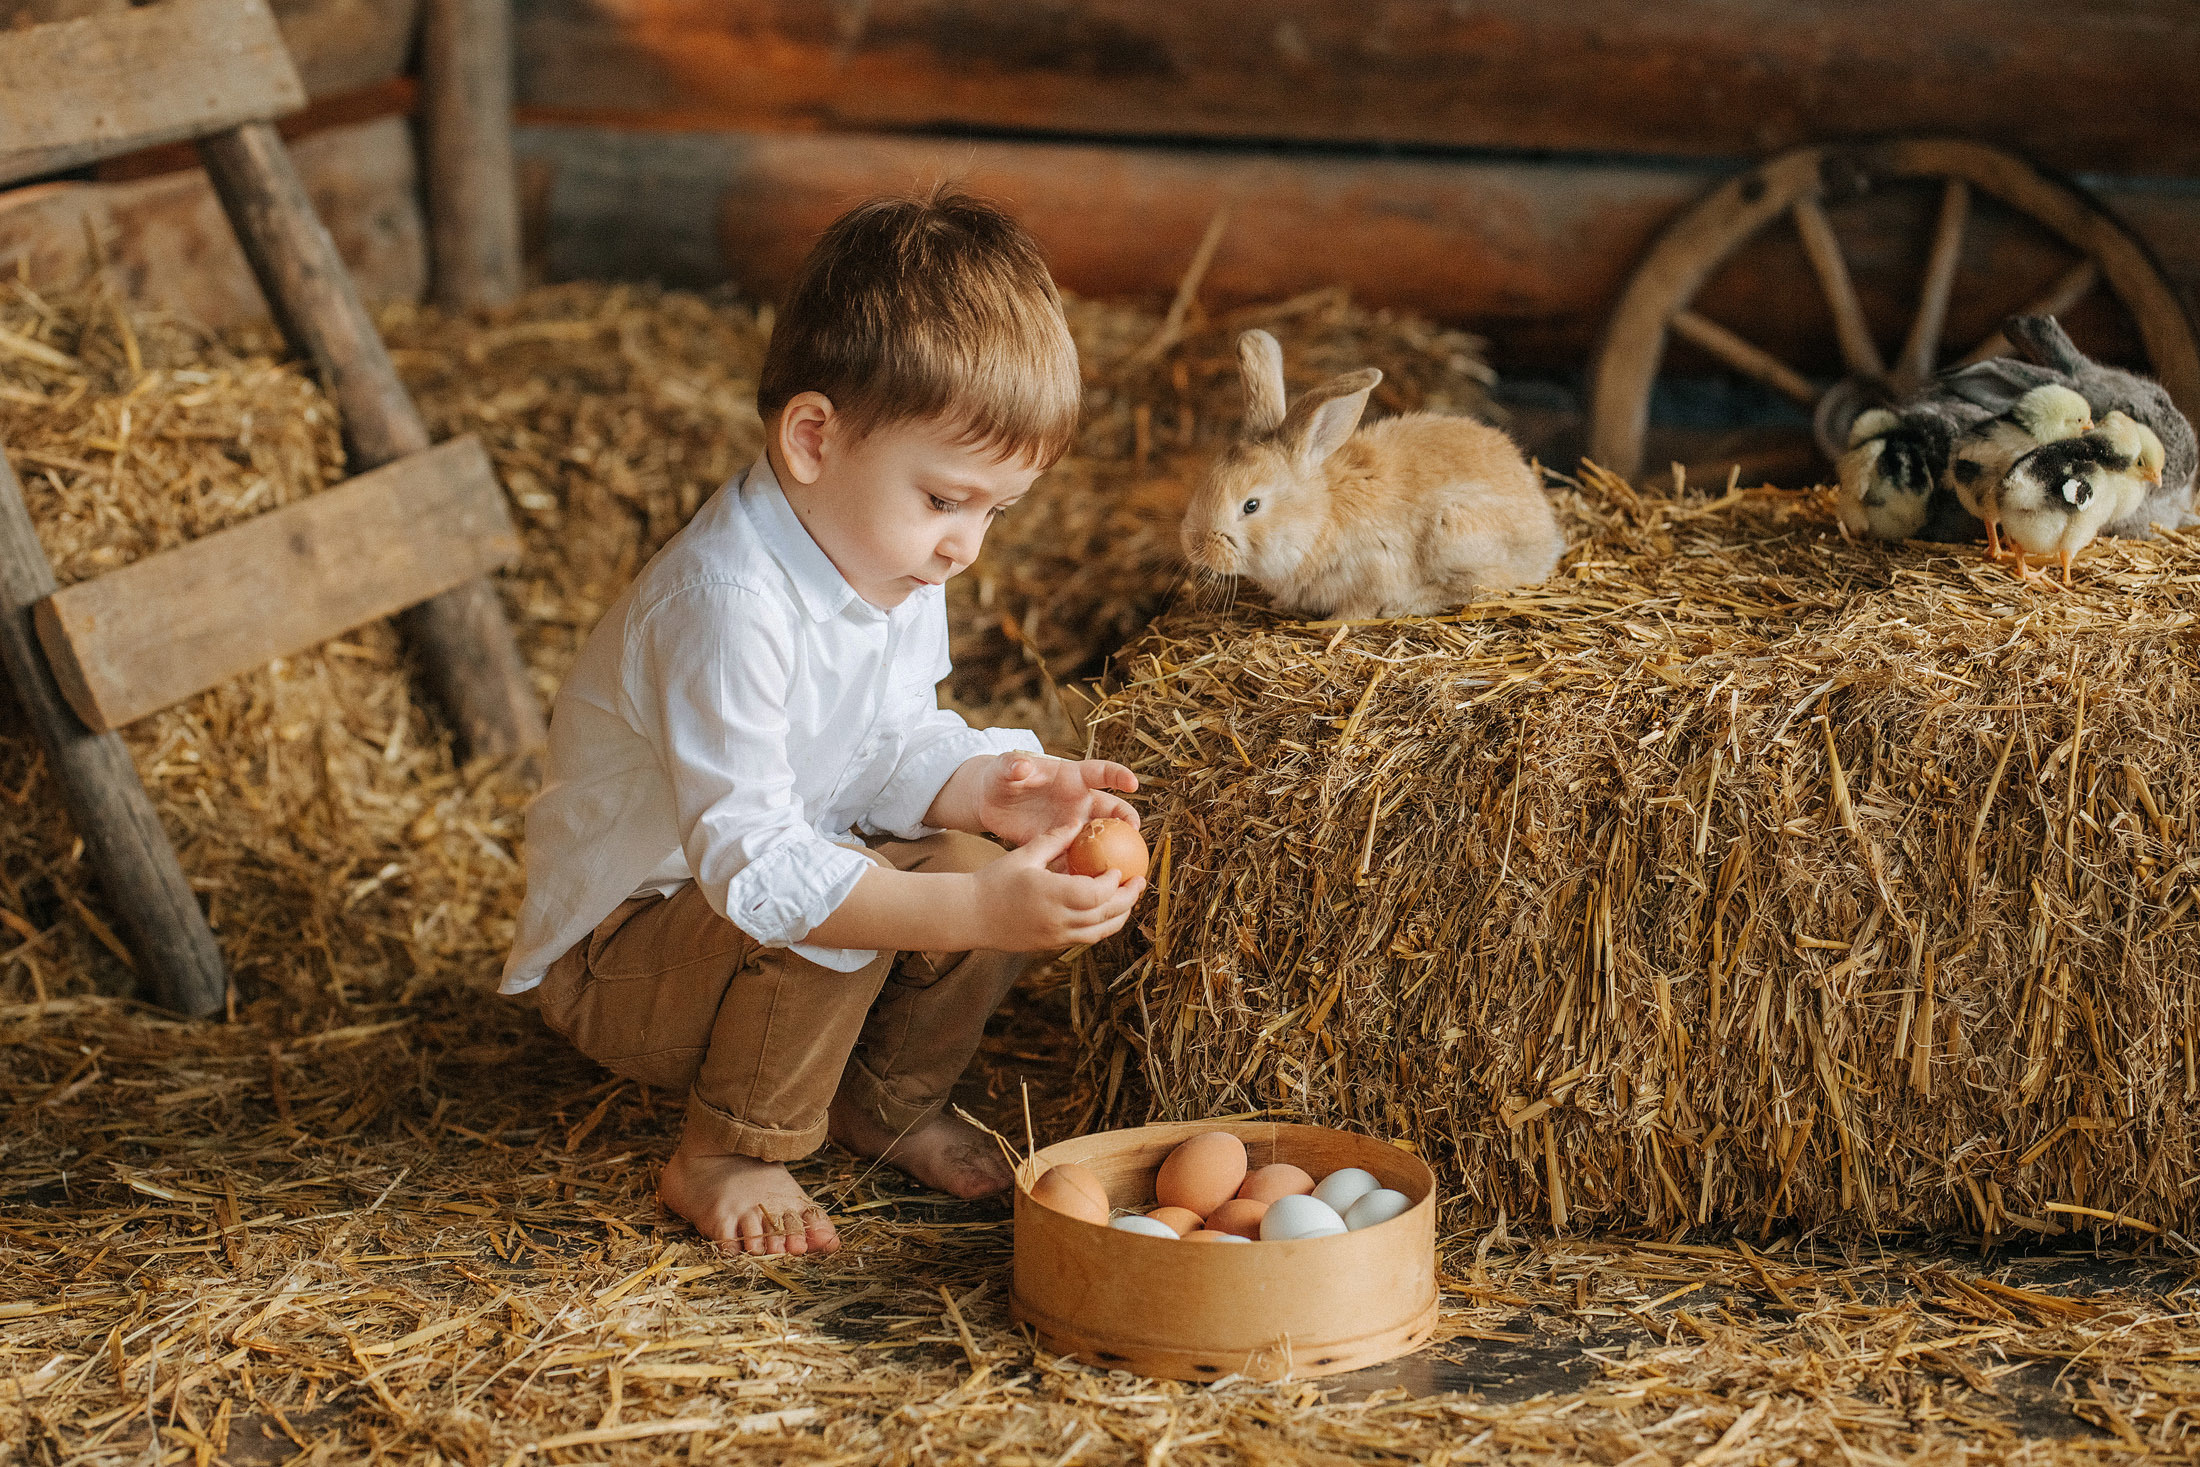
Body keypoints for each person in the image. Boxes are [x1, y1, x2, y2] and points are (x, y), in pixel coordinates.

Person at [499, 188, 1145, 1257]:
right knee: (847, 895)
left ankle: (879, 1104)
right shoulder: (724, 604)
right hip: (627, 959)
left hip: (738, 905)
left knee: (968, 851)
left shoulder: (883, 555)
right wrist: (975, 912)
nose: (966, 547)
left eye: (996, 511)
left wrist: (988, 789)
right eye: (946, 500)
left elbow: (886, 742)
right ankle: (724, 1152)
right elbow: (756, 866)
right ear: (812, 438)